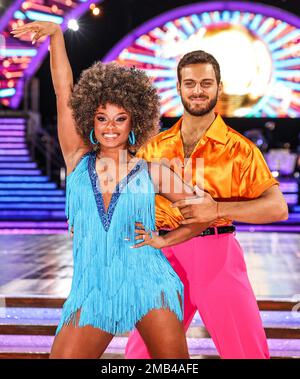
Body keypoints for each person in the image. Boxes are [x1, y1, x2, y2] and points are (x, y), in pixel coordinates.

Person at [11, 23, 210, 359]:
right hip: (92, 288)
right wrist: (56, 37)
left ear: (136, 122)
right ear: (91, 119)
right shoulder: (76, 159)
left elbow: (205, 215)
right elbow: (64, 91)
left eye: (120, 119)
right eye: (102, 118)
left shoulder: (153, 172)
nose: (110, 127)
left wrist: (164, 240)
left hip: (148, 283)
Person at [125, 50, 289, 359]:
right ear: (179, 87)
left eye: (205, 83)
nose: (197, 91)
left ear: (219, 87)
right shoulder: (155, 146)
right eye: (190, 83)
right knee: (142, 353)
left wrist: (216, 209)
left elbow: (277, 207)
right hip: (163, 256)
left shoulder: (240, 150)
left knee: (246, 352)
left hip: (216, 253)